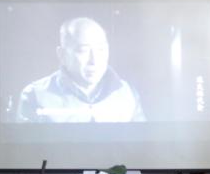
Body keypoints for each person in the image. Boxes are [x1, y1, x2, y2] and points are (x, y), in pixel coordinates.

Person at [16, 17, 144, 123]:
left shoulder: (127, 93)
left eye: (101, 50)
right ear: (62, 55)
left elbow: (141, 143)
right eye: (83, 50)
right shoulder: (35, 95)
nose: (94, 61)